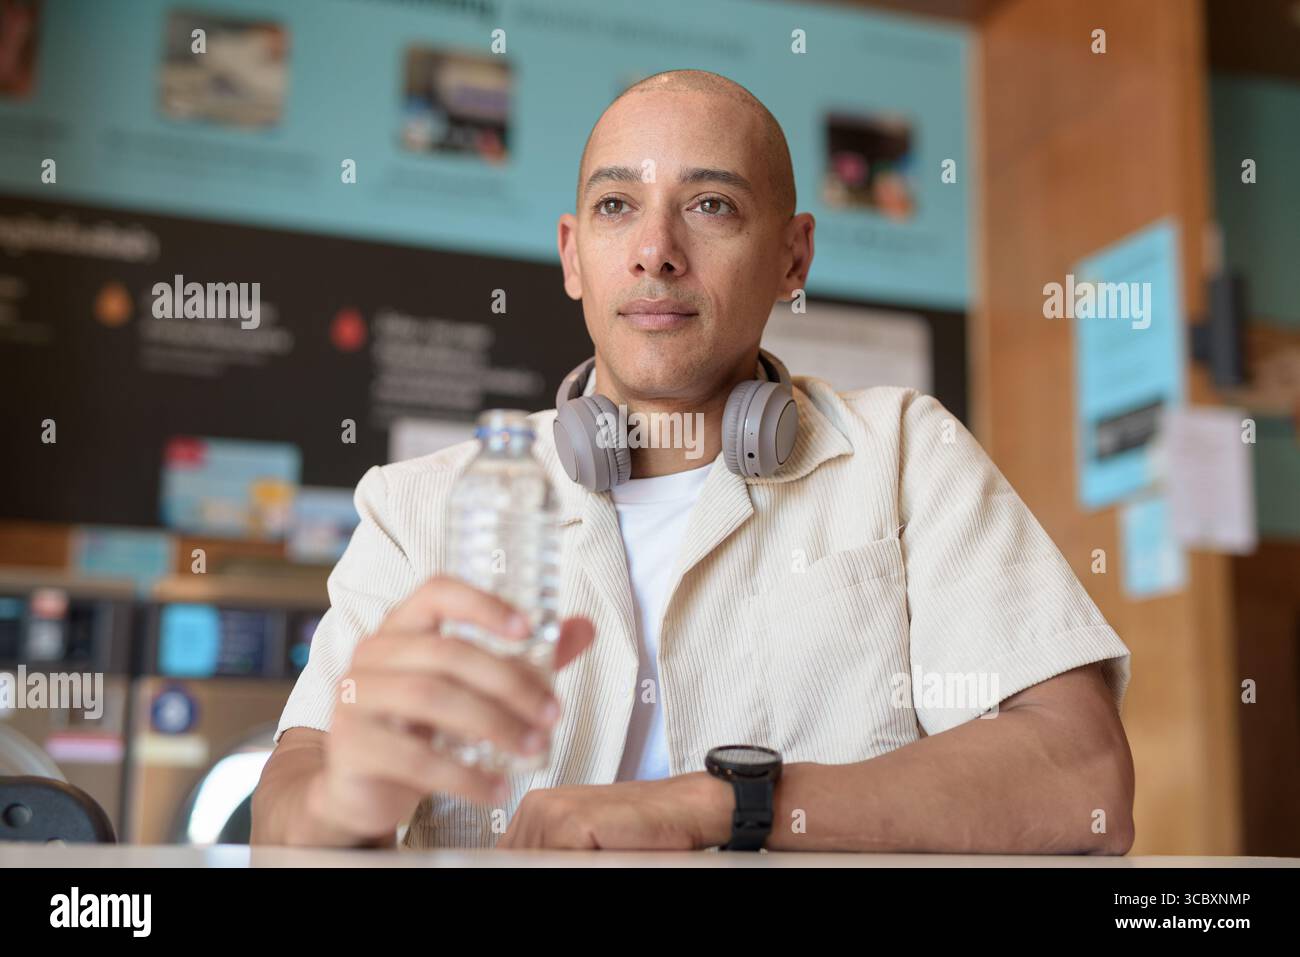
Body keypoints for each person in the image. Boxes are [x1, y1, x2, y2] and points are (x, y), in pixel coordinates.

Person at [251, 69, 1134, 853]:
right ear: (573, 256)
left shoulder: (906, 454)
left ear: (794, 258)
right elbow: (283, 807)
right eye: (615, 206)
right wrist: (339, 803)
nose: (655, 250)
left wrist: (716, 807)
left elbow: (1081, 777)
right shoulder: (419, 508)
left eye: (710, 204)